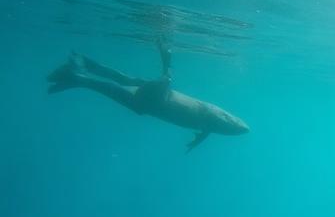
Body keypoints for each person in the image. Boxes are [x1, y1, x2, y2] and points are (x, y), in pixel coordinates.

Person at [47, 42, 250, 151]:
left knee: (133, 80)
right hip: (154, 105)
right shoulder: (210, 124)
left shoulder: (211, 122)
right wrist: (201, 139)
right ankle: (78, 73)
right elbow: (220, 122)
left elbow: (218, 119)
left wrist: (202, 137)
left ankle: (78, 73)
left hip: (158, 101)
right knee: (125, 82)